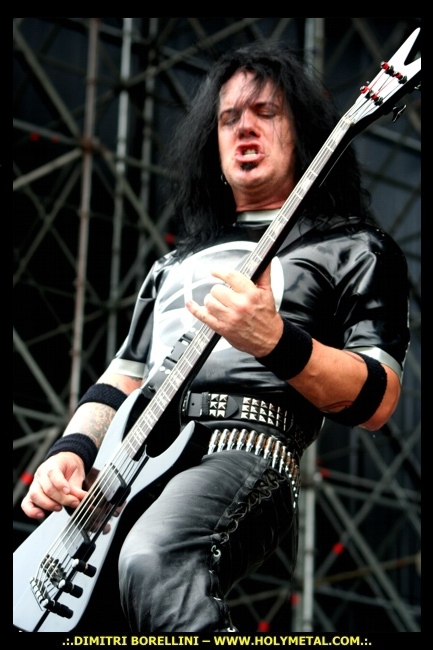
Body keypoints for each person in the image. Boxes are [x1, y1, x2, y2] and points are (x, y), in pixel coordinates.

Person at [21, 40, 410, 633]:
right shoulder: (171, 266)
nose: (244, 128)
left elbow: (379, 398)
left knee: (155, 560)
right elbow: (122, 379)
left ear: (301, 133)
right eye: (229, 118)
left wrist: (275, 341)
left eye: (265, 112)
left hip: (246, 447)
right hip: (125, 470)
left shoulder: (354, 248)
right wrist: (69, 452)